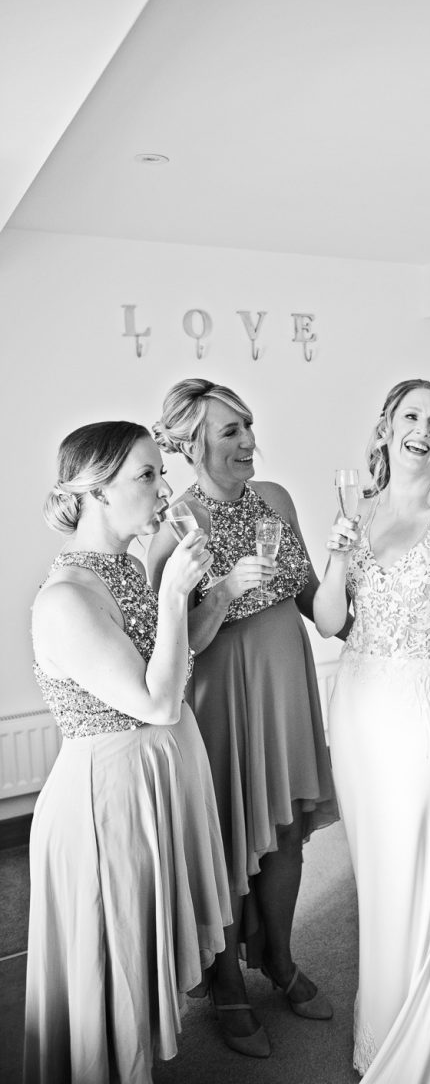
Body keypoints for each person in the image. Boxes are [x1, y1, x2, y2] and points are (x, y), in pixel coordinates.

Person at [25, 421, 231, 1084]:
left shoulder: (125, 570)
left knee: (139, 968)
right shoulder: (66, 599)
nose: (164, 486)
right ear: (95, 492)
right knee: (112, 979)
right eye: (146, 474)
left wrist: (181, 591)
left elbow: (172, 671)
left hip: (151, 789)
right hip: (105, 806)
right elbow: (157, 704)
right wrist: (174, 593)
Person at [313, 377, 430, 1083]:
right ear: (388, 425)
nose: (423, 430)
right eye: (412, 416)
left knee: (417, 871)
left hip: (425, 707)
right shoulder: (356, 512)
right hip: (357, 704)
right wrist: (335, 555)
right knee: (376, 876)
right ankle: (383, 1027)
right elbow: (331, 622)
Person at [149, 379, 339, 1059]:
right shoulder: (170, 524)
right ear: (193, 442)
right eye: (231, 431)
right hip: (221, 698)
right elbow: (174, 644)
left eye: (249, 426)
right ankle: (226, 980)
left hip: (287, 685)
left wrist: (361, 570)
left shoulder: (278, 500)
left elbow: (319, 600)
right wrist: (226, 591)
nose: (249, 442)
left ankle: (280, 961)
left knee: (286, 835)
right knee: (226, 843)